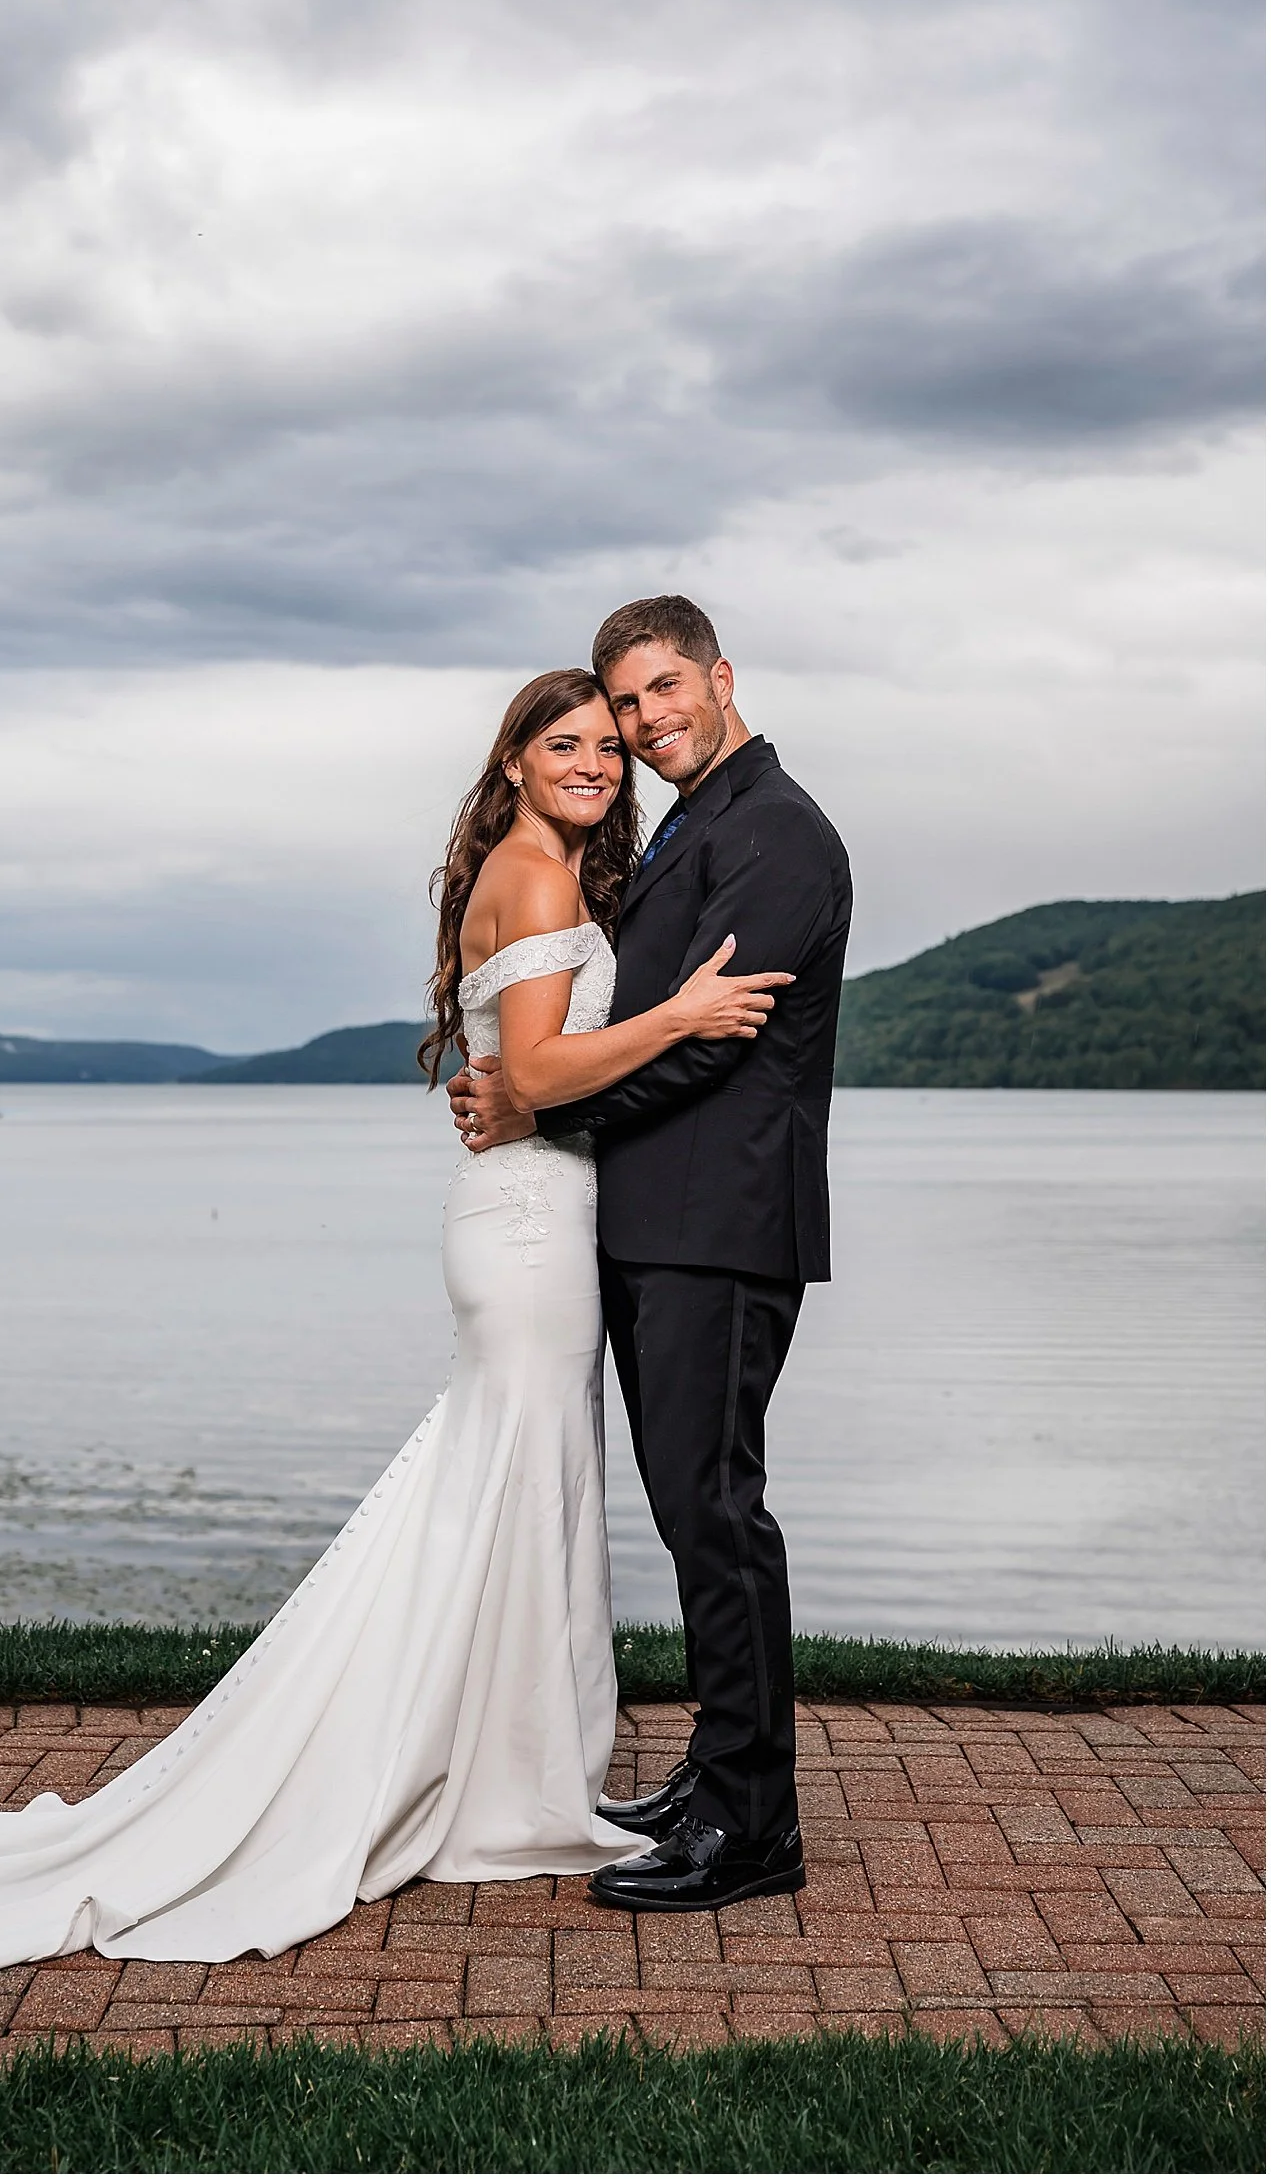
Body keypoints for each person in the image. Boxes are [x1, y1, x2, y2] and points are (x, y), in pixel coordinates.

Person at [0, 669, 790, 1994]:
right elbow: (539, 1074)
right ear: (509, 761)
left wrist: (535, 1087)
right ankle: (491, 1777)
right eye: (566, 744)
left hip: (527, 1212)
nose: (595, 767)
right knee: (510, 1483)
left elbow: (510, 1075)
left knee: (510, 1489)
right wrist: (675, 1016)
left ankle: (508, 1765)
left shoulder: (533, 872)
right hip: (526, 1227)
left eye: (607, 749)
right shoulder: (538, 876)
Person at [450, 598, 852, 1914]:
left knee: (716, 1516)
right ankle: (712, 1775)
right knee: (691, 1516)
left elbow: (706, 1038)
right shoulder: (696, 821)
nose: (643, 722)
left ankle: (753, 1828)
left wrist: (534, 1104)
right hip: (650, 1223)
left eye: (662, 689)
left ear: (720, 678)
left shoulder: (779, 834)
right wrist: (532, 1097)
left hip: (720, 1228)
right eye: (624, 705)